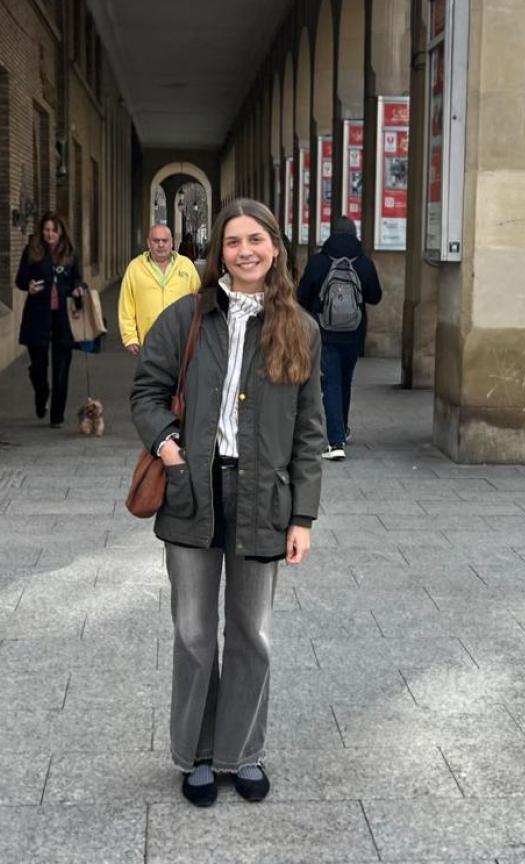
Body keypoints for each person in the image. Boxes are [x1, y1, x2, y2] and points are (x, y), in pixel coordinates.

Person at [131, 196, 325, 808]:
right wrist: (168, 449)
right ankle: (196, 754)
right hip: (193, 489)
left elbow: (309, 428)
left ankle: (242, 753)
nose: (246, 251)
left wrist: (303, 515)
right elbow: (147, 391)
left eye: (257, 240)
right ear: (220, 250)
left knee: (251, 633)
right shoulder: (186, 317)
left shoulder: (301, 328)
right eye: (234, 241)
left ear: (275, 247)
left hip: (263, 497)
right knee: (193, 633)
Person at [295, 215, 383, 461]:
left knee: (330, 382)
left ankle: (335, 441)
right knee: (344, 381)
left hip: (324, 332)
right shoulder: (364, 263)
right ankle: (341, 429)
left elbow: (302, 296)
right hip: (354, 333)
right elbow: (376, 297)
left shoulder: (318, 262)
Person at [15, 213, 84, 427]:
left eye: (54, 230)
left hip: (63, 318)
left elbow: (77, 280)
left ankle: (57, 415)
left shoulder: (70, 253)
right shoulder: (32, 251)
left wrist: (79, 289)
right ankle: (41, 395)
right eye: (46, 230)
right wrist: (30, 286)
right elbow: (20, 279)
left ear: (61, 231)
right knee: (39, 367)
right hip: (38, 315)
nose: (50, 234)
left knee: (62, 369)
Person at [119, 224, 201, 355]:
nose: (161, 245)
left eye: (165, 240)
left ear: (172, 242)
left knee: (183, 375)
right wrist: (129, 337)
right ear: (148, 243)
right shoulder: (135, 268)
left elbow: (199, 302)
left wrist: (198, 335)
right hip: (149, 343)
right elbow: (126, 305)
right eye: (156, 241)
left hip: (182, 341)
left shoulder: (186, 266)